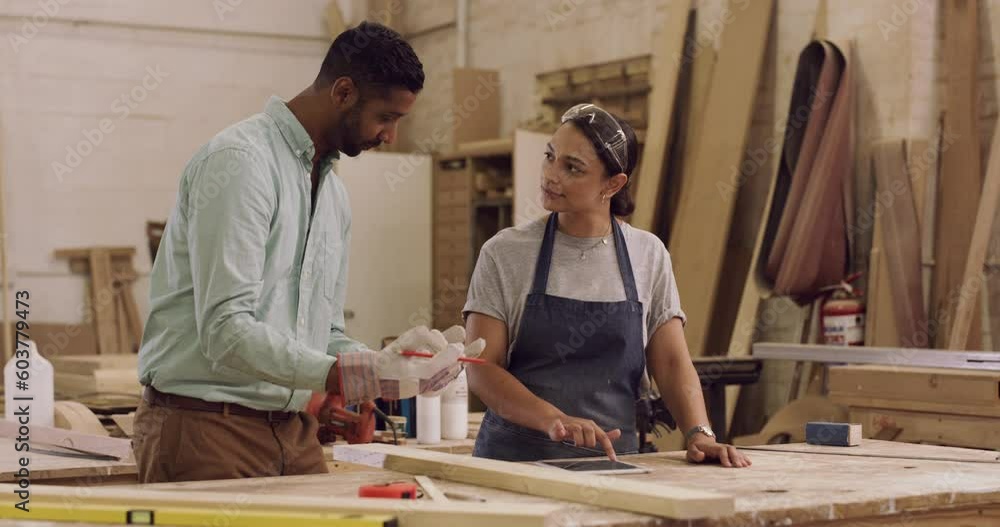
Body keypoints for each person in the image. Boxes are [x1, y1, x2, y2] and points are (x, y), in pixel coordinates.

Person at [133, 22, 473, 483]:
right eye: (386, 117)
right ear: (344, 92)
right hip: (208, 426)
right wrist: (347, 375)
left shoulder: (332, 193)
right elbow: (225, 330)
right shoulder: (240, 163)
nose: (390, 136)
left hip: (292, 432)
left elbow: (324, 331)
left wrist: (391, 364)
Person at [464, 104, 751, 467]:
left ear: (613, 184)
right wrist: (552, 418)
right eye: (550, 157)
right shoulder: (505, 252)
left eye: (572, 168)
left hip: (614, 466)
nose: (552, 175)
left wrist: (700, 433)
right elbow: (481, 366)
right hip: (514, 465)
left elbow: (672, 361)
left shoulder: (648, 254)